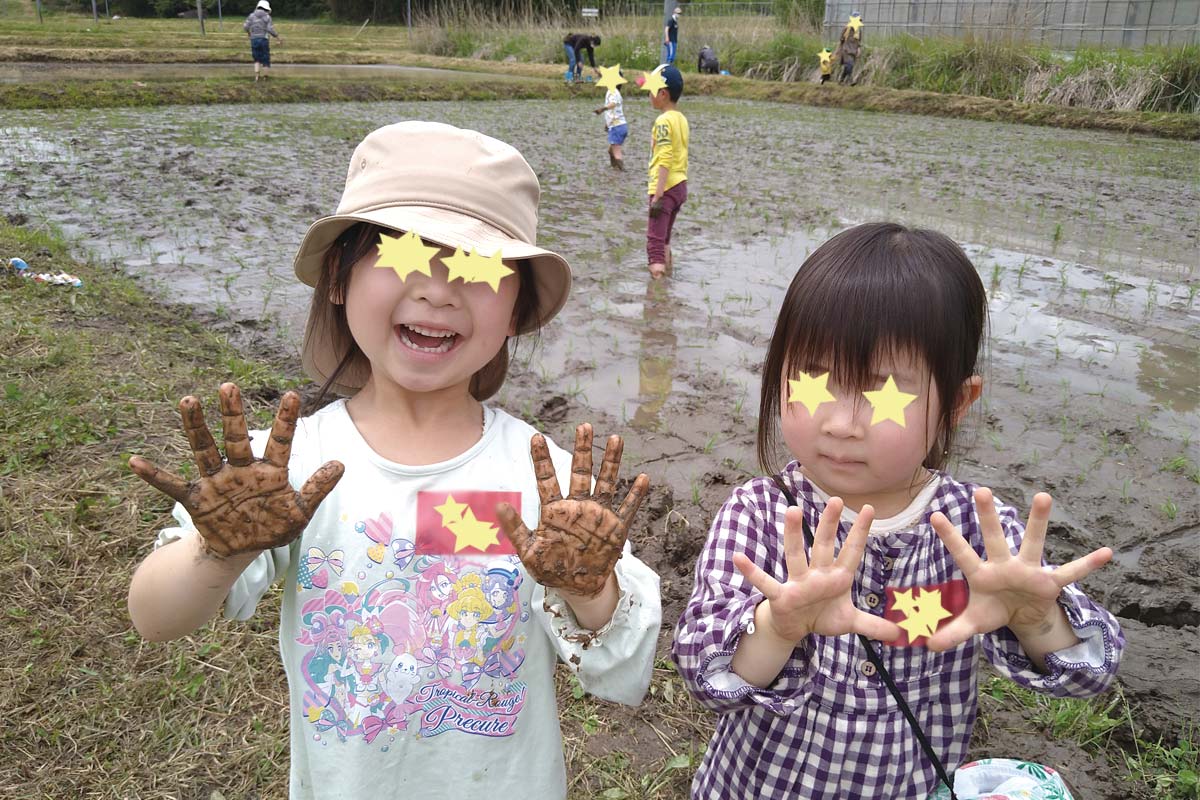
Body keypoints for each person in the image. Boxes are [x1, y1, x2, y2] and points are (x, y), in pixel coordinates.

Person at [126, 121, 662, 799]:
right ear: (339, 277)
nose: (438, 290)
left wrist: (591, 589)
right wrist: (216, 552)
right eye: (405, 254)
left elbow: (623, 669)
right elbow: (154, 618)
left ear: (518, 307)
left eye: (477, 265)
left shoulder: (545, 483)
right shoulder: (288, 472)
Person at [672, 222, 1124, 798]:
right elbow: (703, 675)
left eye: (883, 392)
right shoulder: (761, 514)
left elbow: (1090, 674)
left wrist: (1034, 618)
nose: (841, 422)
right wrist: (778, 625)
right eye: (813, 378)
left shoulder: (976, 534)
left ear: (957, 401)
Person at [644, 65, 688, 280]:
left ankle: (657, 293)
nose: (648, 94)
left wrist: (658, 195)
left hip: (665, 187)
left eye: (651, 89)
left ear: (663, 94)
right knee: (665, 237)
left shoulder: (662, 121)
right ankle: (667, 279)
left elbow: (665, 157)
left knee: (654, 241)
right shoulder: (681, 119)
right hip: (680, 185)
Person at [593, 72, 628, 170]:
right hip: (621, 126)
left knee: (616, 151)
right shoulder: (616, 92)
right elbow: (614, 112)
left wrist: (603, 109)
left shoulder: (612, 92)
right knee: (611, 150)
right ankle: (615, 168)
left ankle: (621, 170)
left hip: (617, 127)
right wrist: (607, 124)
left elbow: (613, 104)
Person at [243, 0, 281, 82]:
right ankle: (265, 77)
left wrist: (249, 33)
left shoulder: (251, 16)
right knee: (265, 58)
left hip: (254, 39)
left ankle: (256, 77)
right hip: (264, 39)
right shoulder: (267, 17)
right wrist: (277, 37)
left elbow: (245, 26)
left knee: (256, 58)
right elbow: (270, 29)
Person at [833, 11, 863, 84]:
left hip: (854, 51)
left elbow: (859, 41)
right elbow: (841, 39)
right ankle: (850, 80)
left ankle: (841, 80)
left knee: (849, 67)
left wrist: (858, 49)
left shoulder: (859, 31)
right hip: (846, 50)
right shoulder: (846, 28)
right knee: (849, 65)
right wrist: (838, 50)